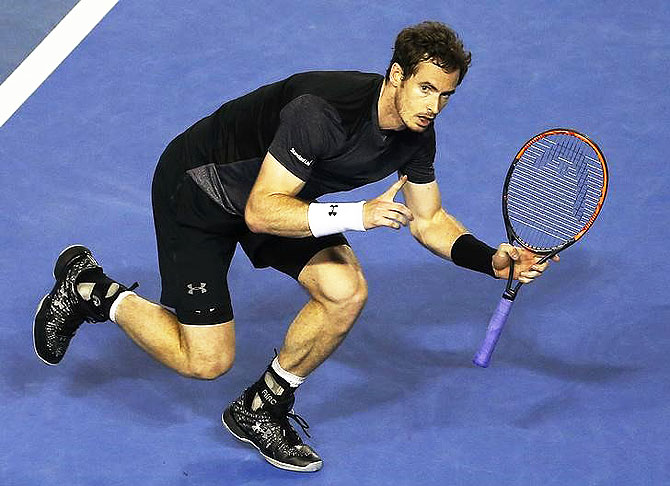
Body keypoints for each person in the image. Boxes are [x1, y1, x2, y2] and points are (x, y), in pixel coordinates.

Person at [33, 21, 557, 472]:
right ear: (397, 75)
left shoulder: (420, 133)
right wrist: (359, 214)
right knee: (206, 362)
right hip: (201, 189)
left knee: (344, 290)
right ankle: (90, 290)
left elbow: (429, 217)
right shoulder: (321, 110)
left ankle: (261, 406)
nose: (434, 106)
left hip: (281, 196)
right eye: (425, 89)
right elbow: (261, 212)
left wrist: (489, 259)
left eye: (446, 95)